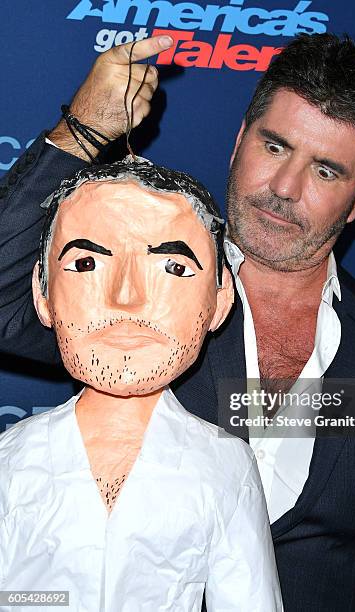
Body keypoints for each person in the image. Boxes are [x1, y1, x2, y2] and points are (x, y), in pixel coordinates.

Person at [0, 32, 355, 611]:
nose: (284, 189)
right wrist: (84, 130)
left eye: (325, 172)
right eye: (274, 147)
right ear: (240, 141)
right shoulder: (147, 302)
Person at [0, 158, 283, 611]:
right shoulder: (11, 461)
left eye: (172, 268)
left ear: (220, 298)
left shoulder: (224, 465)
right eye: (87, 263)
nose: (127, 297)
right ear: (42, 292)